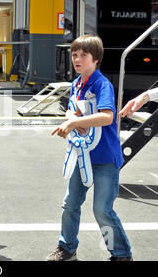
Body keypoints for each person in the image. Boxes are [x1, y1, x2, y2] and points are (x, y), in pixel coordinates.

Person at [47, 35, 132, 261]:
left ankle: (121, 254)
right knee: (70, 204)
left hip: (105, 158)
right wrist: (71, 117)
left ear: (96, 59)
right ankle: (66, 247)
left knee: (102, 210)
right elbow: (70, 109)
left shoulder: (102, 84)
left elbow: (106, 117)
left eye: (83, 55)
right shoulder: (77, 83)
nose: (77, 59)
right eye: (74, 54)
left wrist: (75, 122)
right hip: (82, 155)